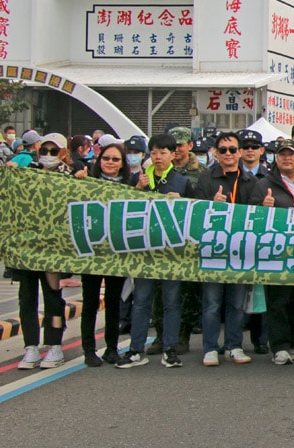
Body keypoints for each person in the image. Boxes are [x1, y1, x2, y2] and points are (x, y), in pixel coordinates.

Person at [120, 132, 191, 369]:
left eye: (163, 152)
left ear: (173, 154)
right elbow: (124, 211)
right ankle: (135, 349)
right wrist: (137, 191)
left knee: (171, 301)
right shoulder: (138, 178)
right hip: (144, 251)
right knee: (141, 301)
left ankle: (170, 348)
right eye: (154, 152)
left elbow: (192, 215)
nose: (158, 157)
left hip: (171, 252)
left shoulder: (182, 182)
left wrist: (181, 201)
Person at [192, 132, 258, 367]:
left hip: (240, 250)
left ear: (240, 152)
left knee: (236, 302)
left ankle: (234, 345)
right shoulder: (206, 179)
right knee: (211, 302)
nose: (228, 154)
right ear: (215, 153)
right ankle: (210, 348)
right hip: (213, 249)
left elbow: (256, 214)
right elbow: (195, 212)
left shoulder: (251, 181)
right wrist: (212, 205)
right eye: (223, 150)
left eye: (232, 149)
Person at [253, 139, 294, 365]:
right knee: (278, 301)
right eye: (282, 155)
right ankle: (279, 346)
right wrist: (263, 208)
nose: (287, 158)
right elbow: (250, 217)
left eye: (291, 154)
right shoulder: (264, 184)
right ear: (275, 158)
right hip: (277, 251)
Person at [13, 132, 72, 370]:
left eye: (53, 151)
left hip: (54, 250)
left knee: (52, 297)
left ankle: (55, 345)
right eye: (44, 151)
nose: (48, 156)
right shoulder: (26, 175)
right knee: (26, 297)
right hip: (27, 248)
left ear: (64, 153)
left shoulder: (73, 179)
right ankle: (30, 347)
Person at [74, 142, 132, 366]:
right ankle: (89, 350)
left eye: (115, 159)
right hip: (91, 251)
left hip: (116, 253)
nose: (110, 162)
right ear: (100, 161)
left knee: (113, 302)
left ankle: (111, 348)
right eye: (106, 158)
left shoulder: (130, 185)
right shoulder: (86, 182)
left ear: (122, 164)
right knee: (90, 302)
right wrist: (77, 181)